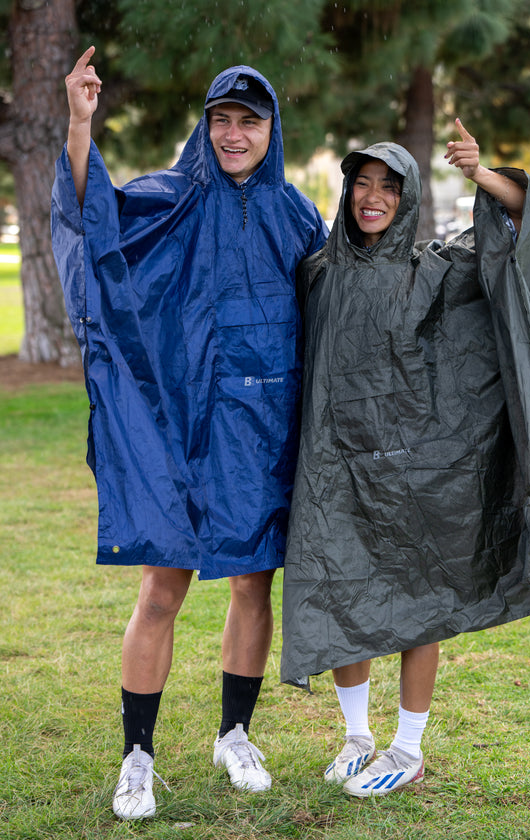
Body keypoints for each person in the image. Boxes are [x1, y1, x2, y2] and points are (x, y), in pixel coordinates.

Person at [51, 46, 327, 819]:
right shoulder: (170, 198)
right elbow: (90, 215)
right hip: (181, 429)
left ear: (273, 129)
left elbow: (342, 310)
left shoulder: (298, 215)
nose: (234, 134)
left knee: (252, 584)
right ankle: (138, 753)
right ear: (204, 127)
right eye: (221, 120)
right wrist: (81, 122)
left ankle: (233, 734)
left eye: (250, 120)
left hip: (261, 433)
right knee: (162, 586)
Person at [280, 120, 530, 797]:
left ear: (408, 197)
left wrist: (479, 173)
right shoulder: (319, 275)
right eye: (362, 183)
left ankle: (407, 746)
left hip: (419, 473)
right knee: (341, 591)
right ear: (347, 191)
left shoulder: (437, 271)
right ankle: (358, 737)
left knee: (423, 599)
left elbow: (515, 225)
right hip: (337, 469)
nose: (372, 197)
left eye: (388, 187)